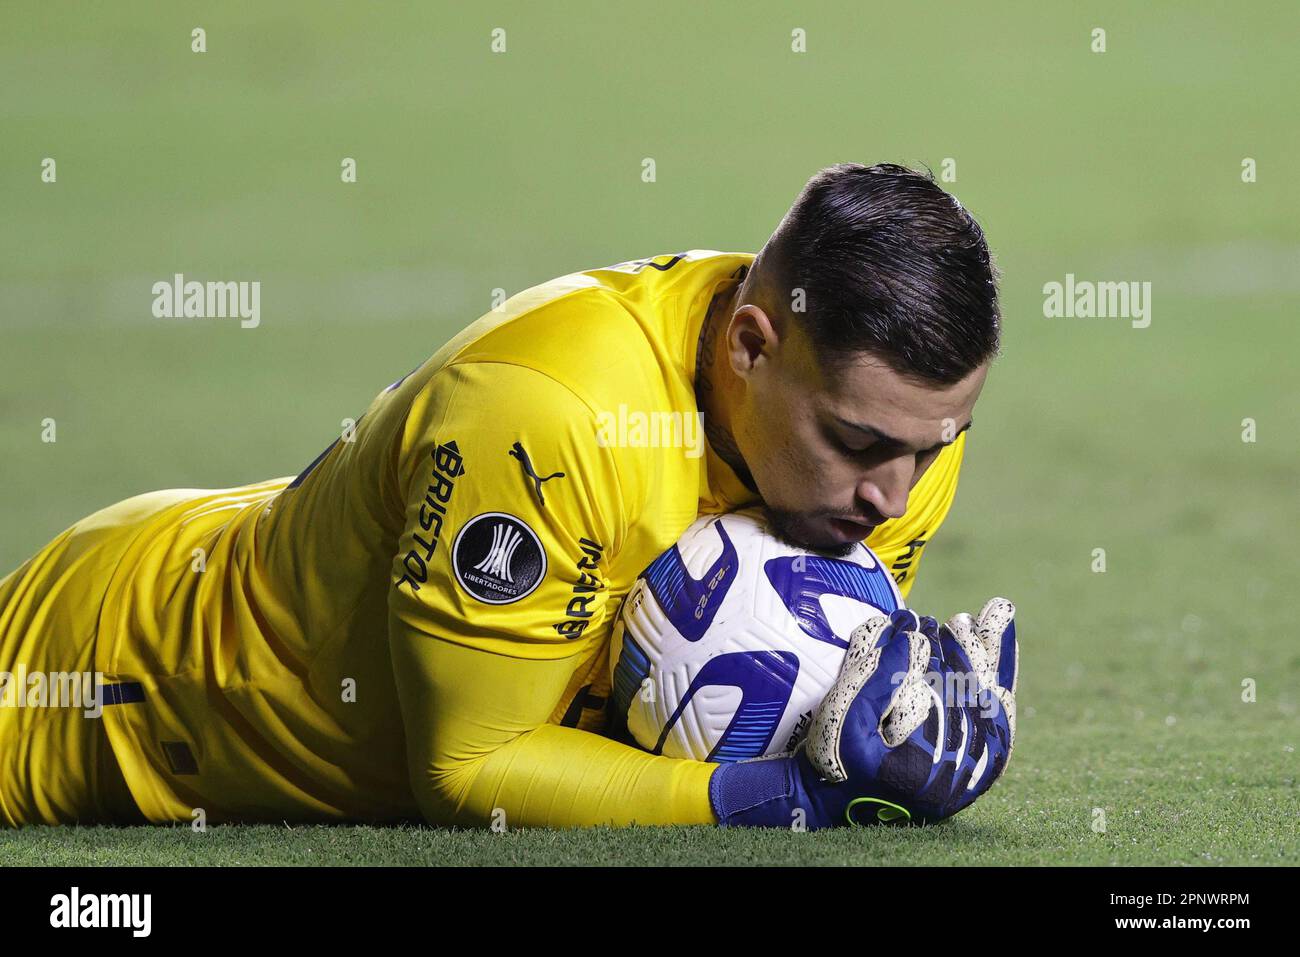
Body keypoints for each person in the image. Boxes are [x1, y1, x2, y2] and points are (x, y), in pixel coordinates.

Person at [0, 162, 1009, 828]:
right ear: (751, 346)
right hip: (115, 678)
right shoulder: (550, 416)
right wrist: (785, 799)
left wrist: (887, 732)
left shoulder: (898, 433)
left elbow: (689, 706)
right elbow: (470, 775)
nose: (892, 498)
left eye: (933, 449)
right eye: (856, 443)